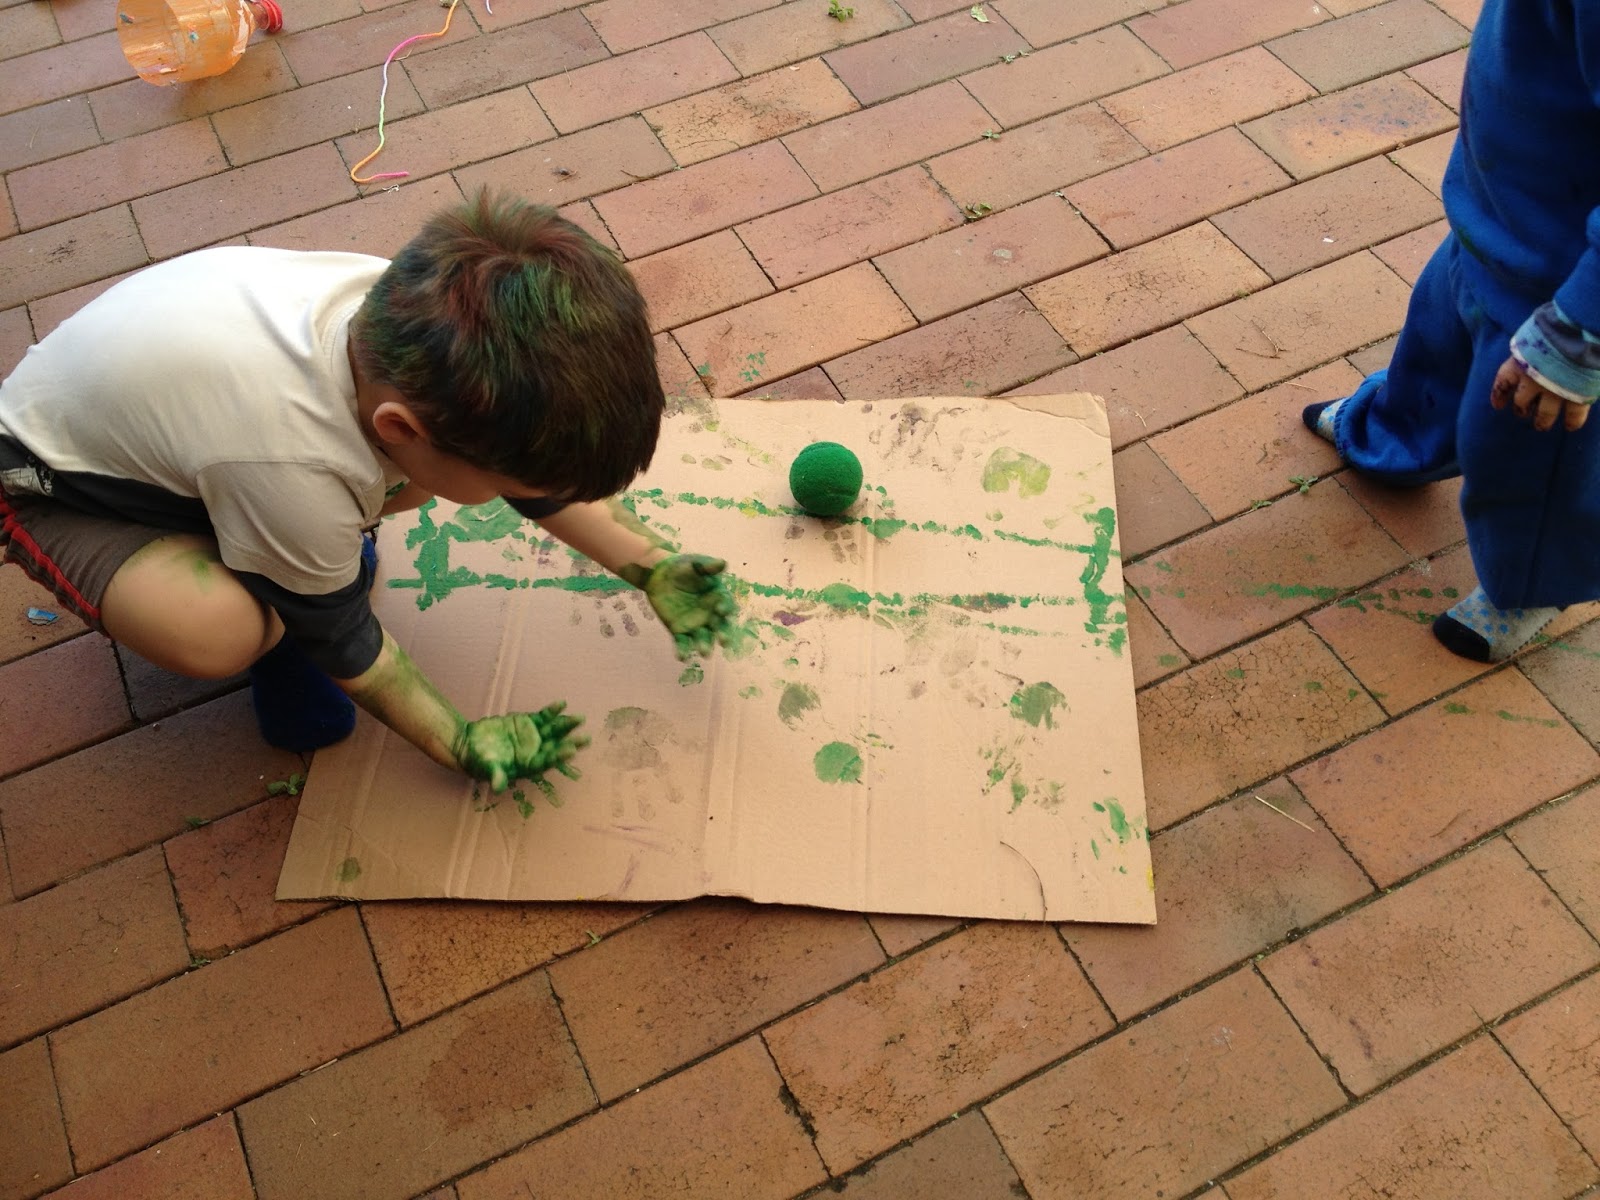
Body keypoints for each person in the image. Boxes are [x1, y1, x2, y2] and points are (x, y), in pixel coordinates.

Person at [0, 191, 735, 792]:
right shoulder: (287, 460)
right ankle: (274, 572)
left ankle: (282, 559)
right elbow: (341, 636)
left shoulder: (420, 324)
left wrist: (649, 564)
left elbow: (529, 478)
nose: (519, 494)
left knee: (398, 494)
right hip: (52, 483)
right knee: (218, 627)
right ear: (400, 426)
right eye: (509, 484)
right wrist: (457, 739)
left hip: (189, 437)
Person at [1303, 0, 1599, 663]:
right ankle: (1394, 439)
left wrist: (1580, 332)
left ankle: (1528, 585)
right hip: (1496, 221)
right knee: (1431, 354)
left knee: (1530, 458)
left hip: (1560, 298)